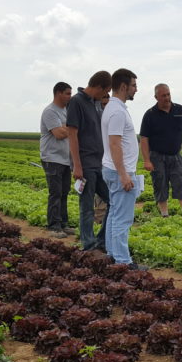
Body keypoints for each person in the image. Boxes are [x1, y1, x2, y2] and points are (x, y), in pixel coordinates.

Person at [101, 68, 146, 270]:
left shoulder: (113, 108)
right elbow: (114, 144)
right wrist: (124, 174)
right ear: (123, 86)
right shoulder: (117, 111)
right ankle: (122, 262)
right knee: (122, 218)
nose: (136, 89)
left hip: (112, 169)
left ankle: (112, 255)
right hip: (119, 171)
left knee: (114, 213)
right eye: (134, 85)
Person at [67, 71, 112, 251]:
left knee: (113, 201)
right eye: (105, 91)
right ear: (99, 87)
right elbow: (72, 134)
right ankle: (88, 244)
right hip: (85, 164)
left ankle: (101, 240)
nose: (105, 96)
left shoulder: (95, 104)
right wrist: (77, 165)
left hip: (99, 163)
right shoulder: (77, 102)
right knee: (87, 207)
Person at [140, 83, 182, 218]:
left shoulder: (180, 110)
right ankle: (164, 215)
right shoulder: (150, 114)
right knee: (160, 184)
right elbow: (144, 139)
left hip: (176, 155)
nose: (167, 97)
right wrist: (146, 160)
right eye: (163, 95)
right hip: (157, 157)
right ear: (156, 97)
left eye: (168, 94)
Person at [39, 81, 74, 237]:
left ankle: (63, 224)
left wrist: (66, 127)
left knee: (64, 192)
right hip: (52, 158)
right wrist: (70, 127)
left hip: (65, 159)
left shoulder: (66, 111)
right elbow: (59, 134)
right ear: (58, 93)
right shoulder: (50, 112)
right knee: (55, 193)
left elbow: (69, 130)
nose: (70, 96)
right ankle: (53, 226)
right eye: (67, 93)